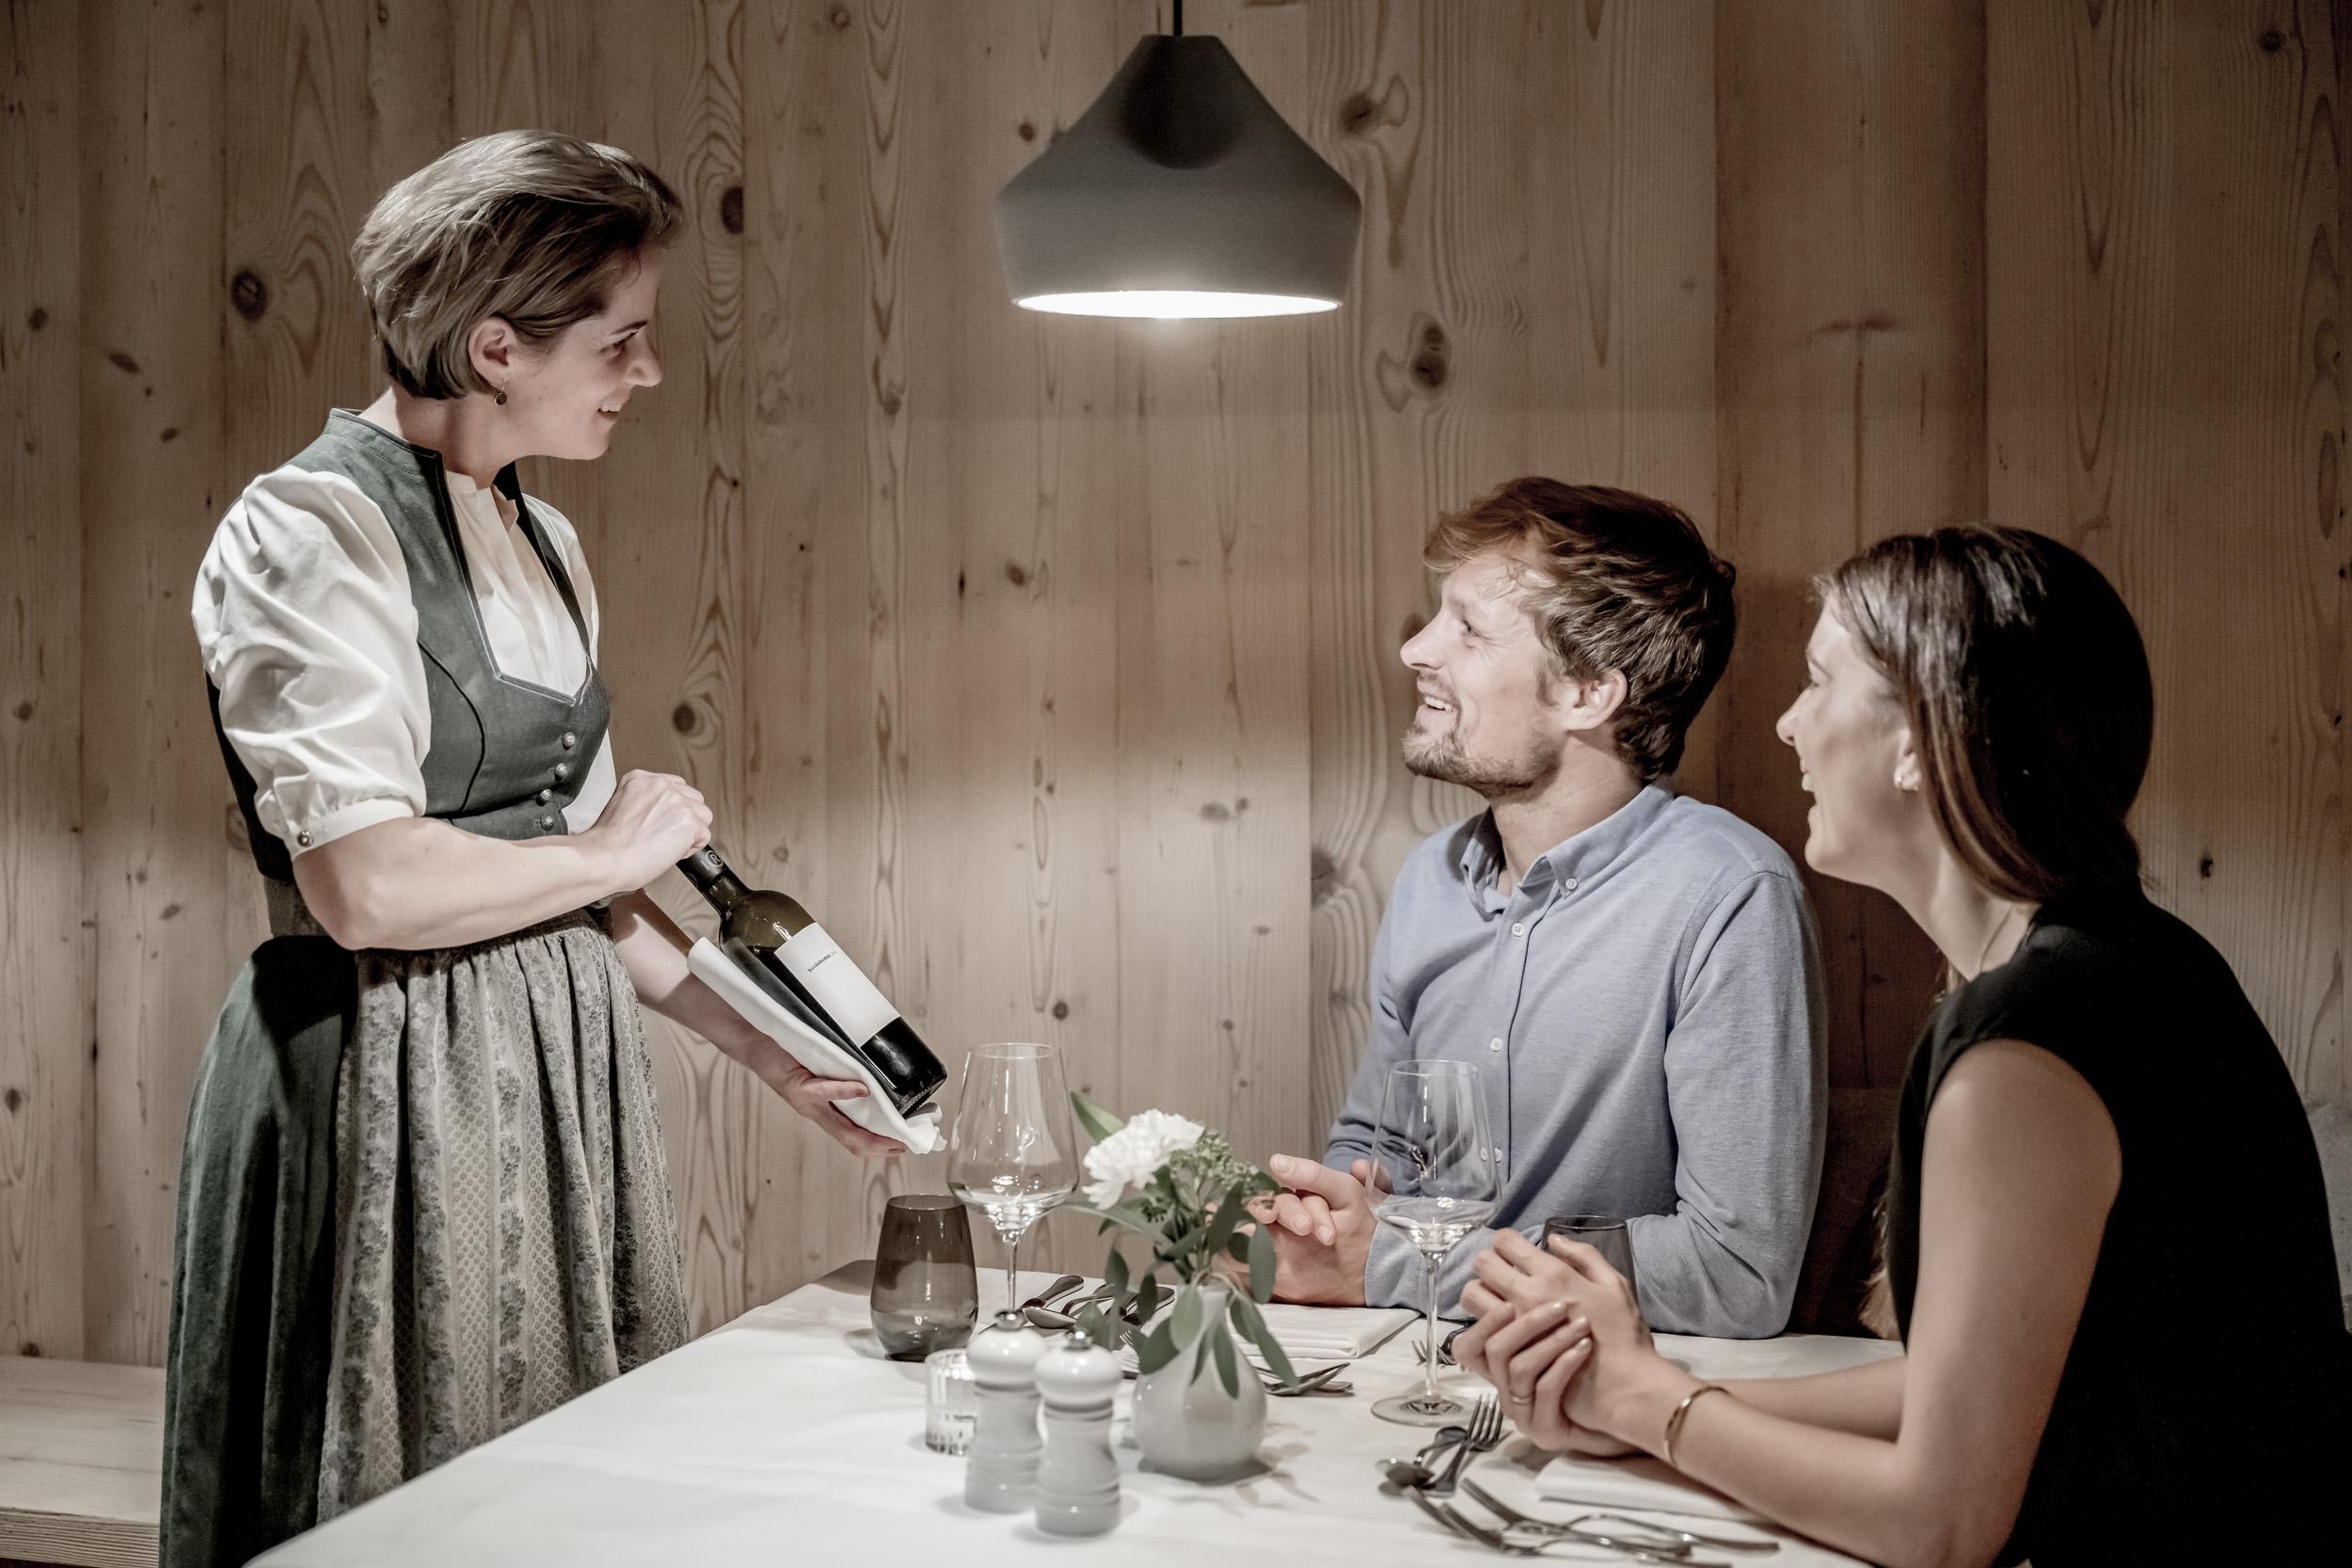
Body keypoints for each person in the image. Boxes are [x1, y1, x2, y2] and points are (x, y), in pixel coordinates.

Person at [167, 131, 901, 1568]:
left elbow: (595, 897)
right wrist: (608, 852)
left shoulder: (545, 538)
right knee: (405, 1490)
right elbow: (365, 884)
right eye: (620, 341)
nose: (649, 371)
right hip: (383, 1068)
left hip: (558, 1068)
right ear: (496, 347)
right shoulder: (312, 529)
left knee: (564, 1485)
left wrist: (778, 1056)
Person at [1453, 527, 2352, 1566]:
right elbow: (1966, 1383)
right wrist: (1640, 1396)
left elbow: (1942, 1522)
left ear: (1919, 738)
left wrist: (1652, 1405)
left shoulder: (2024, 1057)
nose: (1787, 723)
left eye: (1817, 680)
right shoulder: (2126, 962)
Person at [1255, 478, 1826, 1338]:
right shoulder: (1429, 879)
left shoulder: (1729, 894)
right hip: (1404, 1365)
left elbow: (1738, 1273)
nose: (1415, 648)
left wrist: (1394, 1263)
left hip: (1601, 1392)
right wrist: (1327, 1217)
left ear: (1588, 692)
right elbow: (1378, 1145)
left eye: (1469, 628)